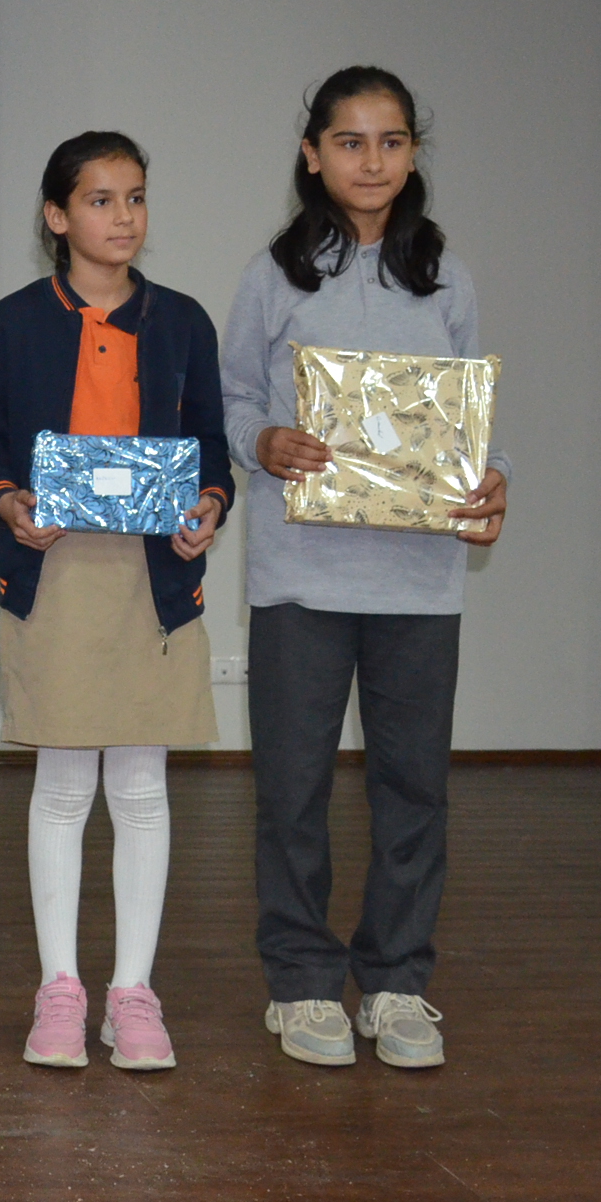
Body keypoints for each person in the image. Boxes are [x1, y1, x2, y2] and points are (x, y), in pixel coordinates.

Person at [221, 66, 509, 1070]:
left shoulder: (447, 276)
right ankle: (302, 985)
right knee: (292, 790)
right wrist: (263, 443)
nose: (371, 160)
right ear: (313, 155)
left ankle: (395, 982)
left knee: (413, 790)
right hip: (300, 580)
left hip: (419, 585)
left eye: (391, 141)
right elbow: (231, 400)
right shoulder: (273, 276)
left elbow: (472, 425)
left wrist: (492, 486)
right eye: (350, 142)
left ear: (413, 153)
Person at [0, 132, 231, 1071]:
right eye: (99, 200)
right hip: (56, 578)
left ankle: (133, 993)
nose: (124, 217)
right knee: (62, 787)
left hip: (152, 581)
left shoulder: (184, 322)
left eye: (136, 198)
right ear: (56, 216)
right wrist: (9, 502)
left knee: (142, 789)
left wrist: (208, 506)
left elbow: (209, 444)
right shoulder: (8, 325)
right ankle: (59, 989)